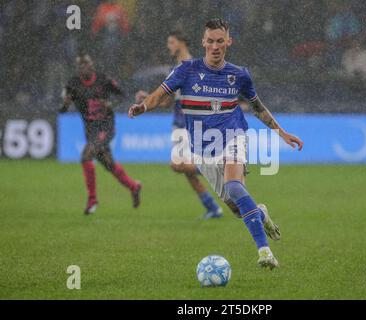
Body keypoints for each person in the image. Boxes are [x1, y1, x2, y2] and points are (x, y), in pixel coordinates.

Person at [128, 18, 303, 269]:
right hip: (202, 148)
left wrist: (282, 132)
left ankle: (265, 252)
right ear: (203, 42)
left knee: (233, 187)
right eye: (210, 41)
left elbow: (257, 107)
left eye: (220, 41)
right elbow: (159, 94)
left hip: (233, 135)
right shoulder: (186, 70)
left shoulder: (239, 75)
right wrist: (144, 106)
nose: (215, 46)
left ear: (228, 42)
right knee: (236, 208)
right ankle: (260, 213)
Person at [135, 30, 223, 220]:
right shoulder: (176, 69)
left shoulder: (193, 67)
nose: (169, 46)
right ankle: (213, 208)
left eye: (171, 42)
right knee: (187, 171)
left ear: (182, 43)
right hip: (178, 124)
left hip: (189, 125)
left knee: (177, 165)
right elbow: (167, 101)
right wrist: (147, 97)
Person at [60, 52, 142, 215]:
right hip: (90, 130)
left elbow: (122, 96)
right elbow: (61, 110)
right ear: (78, 68)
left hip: (106, 127)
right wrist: (65, 104)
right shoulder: (72, 84)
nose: (84, 66)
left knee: (86, 156)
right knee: (109, 164)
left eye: (87, 63)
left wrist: (111, 104)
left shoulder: (103, 80)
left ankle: (92, 200)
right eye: (81, 65)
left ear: (92, 64)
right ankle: (134, 186)